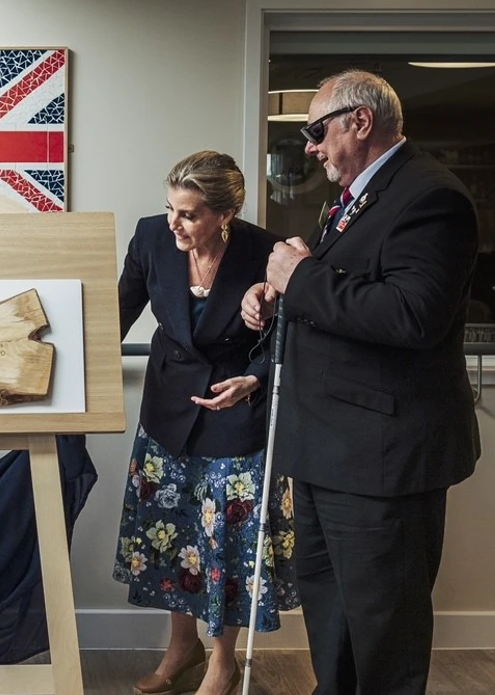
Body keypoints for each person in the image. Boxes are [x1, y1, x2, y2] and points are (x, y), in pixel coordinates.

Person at [242, 69, 480, 695]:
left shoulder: (431, 197)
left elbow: (412, 315)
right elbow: (341, 300)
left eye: (318, 132)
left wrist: (302, 279)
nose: (312, 147)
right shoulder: (356, 197)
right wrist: (277, 297)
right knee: (334, 622)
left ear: (360, 122)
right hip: (327, 449)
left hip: (381, 456)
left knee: (384, 635)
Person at [115, 151, 299, 695]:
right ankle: (182, 646)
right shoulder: (151, 237)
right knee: (171, 535)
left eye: (189, 214)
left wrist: (257, 377)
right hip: (169, 410)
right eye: (170, 208)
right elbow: (115, 314)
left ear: (226, 214)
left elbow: (291, 334)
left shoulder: (267, 251)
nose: (174, 223)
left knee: (223, 542)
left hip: (237, 409)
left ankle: (221, 661)